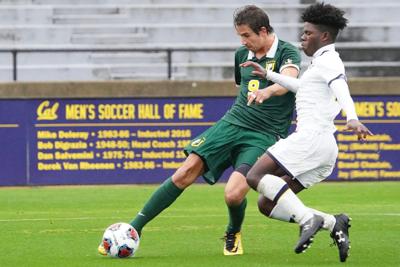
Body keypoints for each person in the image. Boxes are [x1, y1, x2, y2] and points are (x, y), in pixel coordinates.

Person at [98, 5, 301, 256]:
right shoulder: (242, 54)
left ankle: (233, 231)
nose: (242, 41)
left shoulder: (287, 51)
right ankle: (134, 229)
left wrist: (269, 90)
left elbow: (290, 81)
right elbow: (243, 85)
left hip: (263, 134)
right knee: (185, 172)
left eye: (246, 35)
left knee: (233, 194)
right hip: (232, 124)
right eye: (239, 35)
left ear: (263, 30)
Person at [241, 2, 373, 262]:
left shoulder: (330, 61)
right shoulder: (320, 63)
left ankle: (307, 219)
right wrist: (270, 74)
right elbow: (303, 87)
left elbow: (340, 85)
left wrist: (353, 118)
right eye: (303, 32)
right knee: (267, 204)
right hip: (323, 148)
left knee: (255, 175)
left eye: (308, 33)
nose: (303, 36)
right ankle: (334, 222)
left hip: (311, 139)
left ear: (324, 36)